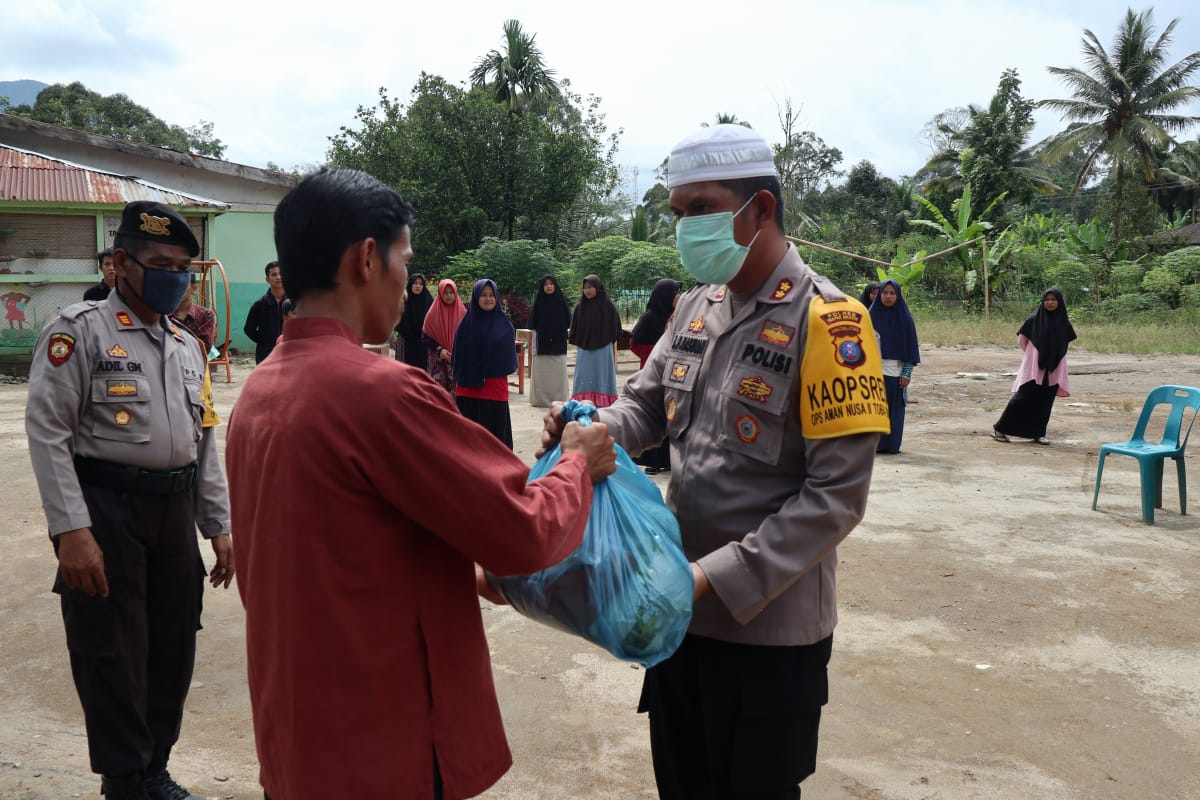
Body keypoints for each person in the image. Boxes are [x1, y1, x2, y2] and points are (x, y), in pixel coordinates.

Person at [225, 167, 616, 800]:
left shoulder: (263, 388)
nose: (410, 283)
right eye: (406, 260)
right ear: (367, 258)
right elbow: (525, 531)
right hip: (385, 742)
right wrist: (577, 462)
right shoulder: (381, 391)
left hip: (302, 736)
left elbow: (335, 546)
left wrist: (457, 576)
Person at [540, 124, 889, 800]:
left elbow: (835, 500)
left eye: (699, 209)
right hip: (674, 618)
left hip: (768, 633)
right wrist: (584, 427)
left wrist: (704, 577)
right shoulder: (694, 308)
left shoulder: (832, 323)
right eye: (677, 214)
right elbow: (642, 409)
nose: (683, 229)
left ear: (760, 209)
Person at [24, 200, 234, 800]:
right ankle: (123, 781)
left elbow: (204, 442)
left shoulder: (186, 346)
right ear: (120, 263)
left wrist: (216, 523)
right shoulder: (78, 332)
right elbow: (48, 433)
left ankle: (154, 769)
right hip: (105, 510)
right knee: (111, 651)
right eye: (160, 264)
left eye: (183, 269)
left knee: (173, 646)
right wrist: (71, 530)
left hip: (171, 515)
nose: (174, 278)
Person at [992, 287, 1076, 445]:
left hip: (1054, 369)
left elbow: (1065, 343)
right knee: (1022, 398)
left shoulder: (1064, 322)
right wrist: (1034, 355)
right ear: (1043, 302)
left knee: (1045, 401)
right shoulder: (1034, 319)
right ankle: (1000, 429)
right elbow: (1022, 341)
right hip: (1034, 368)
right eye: (1047, 299)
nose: (1050, 303)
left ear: (1059, 302)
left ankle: (1038, 433)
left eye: (1053, 299)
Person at [452, 278, 518, 449]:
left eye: (491, 295)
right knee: (470, 444)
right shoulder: (464, 326)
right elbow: (458, 358)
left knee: (495, 443)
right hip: (469, 390)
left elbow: (508, 357)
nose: (488, 299)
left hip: (494, 389)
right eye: (483, 295)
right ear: (475, 297)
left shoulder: (505, 326)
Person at [629, 278, 682, 475]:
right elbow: (635, 343)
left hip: (676, 374)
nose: (679, 297)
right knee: (655, 413)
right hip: (654, 372)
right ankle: (653, 460)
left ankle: (668, 459)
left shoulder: (679, 316)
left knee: (673, 411)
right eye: (676, 293)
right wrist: (660, 354)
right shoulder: (648, 318)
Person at [868, 279, 920, 454]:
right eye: (885, 293)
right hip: (873, 372)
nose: (888, 297)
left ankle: (891, 446)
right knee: (875, 409)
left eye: (892, 293)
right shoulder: (870, 317)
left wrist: (906, 373)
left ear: (897, 296)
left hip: (896, 373)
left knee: (895, 411)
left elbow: (910, 347)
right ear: (879, 295)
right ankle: (875, 444)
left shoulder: (905, 319)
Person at [568, 274, 621, 408]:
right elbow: (575, 328)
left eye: (590, 287)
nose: (587, 290)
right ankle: (583, 402)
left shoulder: (607, 305)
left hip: (603, 349)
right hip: (585, 349)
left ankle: (603, 401)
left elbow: (615, 326)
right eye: (585, 288)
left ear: (598, 287)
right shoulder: (580, 306)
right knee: (584, 376)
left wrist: (606, 339)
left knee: (602, 375)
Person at [527, 273, 571, 408]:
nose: (549, 286)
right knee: (542, 376)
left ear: (555, 285)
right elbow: (532, 323)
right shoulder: (539, 302)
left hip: (558, 345)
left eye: (551, 283)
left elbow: (569, 321)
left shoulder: (561, 301)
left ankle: (559, 399)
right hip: (542, 346)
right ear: (542, 287)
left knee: (558, 375)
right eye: (546, 284)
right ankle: (541, 400)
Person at [421, 277, 466, 394]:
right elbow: (425, 337)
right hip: (438, 359)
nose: (449, 296)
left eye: (451, 292)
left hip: (457, 358)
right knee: (439, 393)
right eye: (445, 293)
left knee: (457, 392)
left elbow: (468, 336)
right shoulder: (432, 313)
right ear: (440, 293)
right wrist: (439, 349)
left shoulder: (463, 312)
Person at [242, 261, 286, 363]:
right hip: (266, 354)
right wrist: (264, 341)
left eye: (281, 274)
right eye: (274, 275)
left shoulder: (294, 303)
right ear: (267, 279)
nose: (278, 277)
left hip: (290, 352)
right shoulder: (259, 305)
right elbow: (249, 329)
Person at [394, 272, 433, 366]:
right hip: (406, 340)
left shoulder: (429, 301)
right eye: (415, 283)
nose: (418, 286)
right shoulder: (403, 301)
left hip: (423, 341)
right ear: (410, 284)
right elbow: (396, 319)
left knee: (423, 368)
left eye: (421, 284)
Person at [172, 274, 217, 351]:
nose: (177, 289)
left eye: (183, 285)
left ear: (194, 288)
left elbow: (204, 348)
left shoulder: (205, 315)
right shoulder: (161, 315)